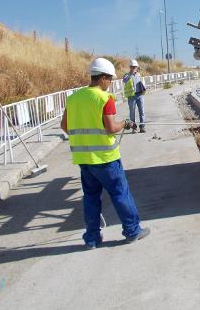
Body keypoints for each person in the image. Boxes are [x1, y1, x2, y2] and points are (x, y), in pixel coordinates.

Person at [60, 57, 150, 249]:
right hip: (106, 159)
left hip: (84, 160)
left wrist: (84, 139)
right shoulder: (104, 98)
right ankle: (132, 230)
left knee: (91, 198)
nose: (110, 83)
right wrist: (125, 123)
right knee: (120, 194)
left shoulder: (73, 98)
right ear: (102, 78)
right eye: (109, 79)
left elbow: (64, 126)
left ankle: (92, 238)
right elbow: (110, 127)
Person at [123, 59, 146, 133]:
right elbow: (124, 81)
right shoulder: (127, 75)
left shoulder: (139, 74)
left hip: (140, 95)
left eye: (135, 67)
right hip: (132, 96)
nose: (134, 68)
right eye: (132, 66)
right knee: (132, 112)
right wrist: (130, 74)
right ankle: (134, 128)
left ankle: (142, 127)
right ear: (130, 67)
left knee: (141, 111)